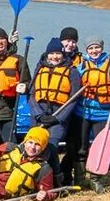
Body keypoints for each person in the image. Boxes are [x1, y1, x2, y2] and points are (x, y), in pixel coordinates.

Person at [31, 41, 82, 186]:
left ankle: (56, 180)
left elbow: (73, 99)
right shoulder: (40, 68)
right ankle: (34, 180)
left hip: (58, 118)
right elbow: (31, 94)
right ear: (47, 55)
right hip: (39, 116)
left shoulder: (72, 71)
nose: (54, 57)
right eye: (51, 53)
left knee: (51, 147)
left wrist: (57, 118)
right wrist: (39, 115)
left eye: (58, 53)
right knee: (33, 146)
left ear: (63, 54)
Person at [74, 38, 110, 185]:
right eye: (90, 48)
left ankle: (95, 179)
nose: (94, 51)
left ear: (102, 48)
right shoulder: (81, 66)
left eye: (97, 47)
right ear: (87, 50)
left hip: (103, 114)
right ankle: (80, 179)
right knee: (81, 147)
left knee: (99, 147)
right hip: (83, 112)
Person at [0, 127, 57, 201]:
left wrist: (45, 196)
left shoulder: (44, 169)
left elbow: (50, 192)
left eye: (37, 144)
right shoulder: (8, 148)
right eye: (30, 142)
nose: (32, 147)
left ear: (43, 148)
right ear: (25, 142)